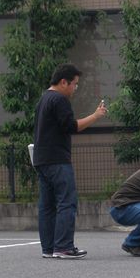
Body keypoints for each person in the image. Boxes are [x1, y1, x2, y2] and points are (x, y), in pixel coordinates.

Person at [33, 63, 107, 259]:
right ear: (63, 82)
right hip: (57, 159)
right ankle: (64, 247)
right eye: (74, 84)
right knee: (67, 202)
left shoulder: (44, 98)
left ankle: (49, 248)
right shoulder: (59, 99)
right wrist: (95, 116)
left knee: (47, 205)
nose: (75, 88)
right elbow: (71, 126)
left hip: (41, 158)